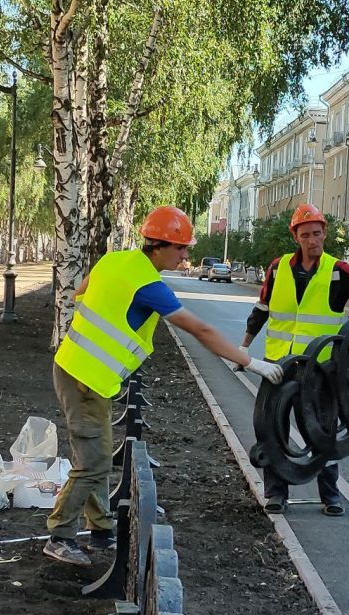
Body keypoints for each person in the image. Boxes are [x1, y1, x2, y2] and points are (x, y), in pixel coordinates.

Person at [44, 205, 284, 566]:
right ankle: (60, 537)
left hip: (75, 369)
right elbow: (200, 330)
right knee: (93, 462)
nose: (187, 255)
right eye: (181, 248)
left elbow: (80, 292)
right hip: (87, 380)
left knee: (96, 454)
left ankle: (101, 529)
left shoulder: (114, 261)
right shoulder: (149, 286)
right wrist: (250, 362)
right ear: (159, 246)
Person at [239, 203, 349, 517]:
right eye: (305, 235)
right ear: (296, 237)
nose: (312, 240)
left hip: (323, 368)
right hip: (279, 364)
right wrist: (243, 349)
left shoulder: (338, 271)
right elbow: (262, 310)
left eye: (317, 233)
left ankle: (330, 496)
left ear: (325, 234)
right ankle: (276, 494)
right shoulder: (278, 269)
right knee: (272, 430)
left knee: (324, 431)